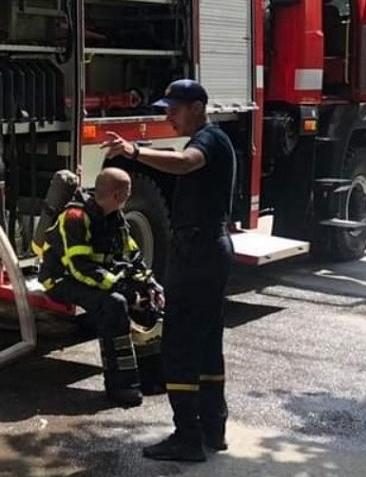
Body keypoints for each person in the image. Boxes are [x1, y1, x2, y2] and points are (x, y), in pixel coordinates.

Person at [102, 79, 236, 462]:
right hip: (207, 250)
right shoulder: (211, 138)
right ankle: (214, 428)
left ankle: (187, 437)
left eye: (174, 109)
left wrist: (134, 151)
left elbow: (185, 163)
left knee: (178, 343)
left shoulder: (208, 140)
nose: (168, 116)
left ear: (197, 107)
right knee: (208, 343)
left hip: (197, 252)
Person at [37, 167, 164, 408]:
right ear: (117, 194)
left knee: (148, 303)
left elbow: (133, 255)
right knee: (114, 304)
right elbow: (80, 268)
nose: (130, 194)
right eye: (128, 191)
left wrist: (149, 284)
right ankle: (120, 386)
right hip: (61, 280)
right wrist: (125, 290)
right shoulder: (75, 218)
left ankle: (152, 377)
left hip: (91, 278)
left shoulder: (115, 217)